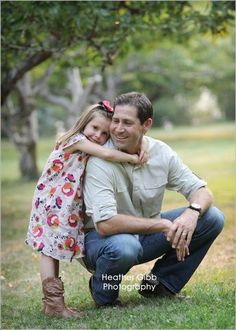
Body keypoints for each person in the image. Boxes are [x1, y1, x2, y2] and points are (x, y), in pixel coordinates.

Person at [82, 92, 225, 307]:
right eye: (116, 121)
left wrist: (192, 213)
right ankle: (103, 294)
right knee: (124, 247)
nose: (118, 129)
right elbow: (105, 224)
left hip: (145, 236)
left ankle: (160, 285)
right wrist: (161, 225)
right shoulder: (100, 160)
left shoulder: (161, 153)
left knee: (212, 218)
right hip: (101, 241)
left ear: (146, 124)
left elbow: (202, 191)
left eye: (127, 123)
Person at [25, 100, 148, 318]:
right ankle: (54, 305)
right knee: (49, 251)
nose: (98, 136)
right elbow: (110, 155)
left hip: (65, 204)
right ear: (84, 124)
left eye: (103, 133)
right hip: (52, 202)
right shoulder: (75, 140)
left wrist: (143, 144)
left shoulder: (90, 143)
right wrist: (132, 158)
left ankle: (53, 305)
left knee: (52, 250)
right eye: (94, 128)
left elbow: (130, 142)